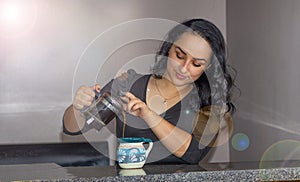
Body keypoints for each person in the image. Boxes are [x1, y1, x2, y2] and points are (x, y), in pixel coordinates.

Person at [63, 18, 236, 164]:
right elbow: (73, 128)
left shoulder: (210, 104)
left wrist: (148, 115)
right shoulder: (129, 84)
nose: (183, 68)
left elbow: (193, 153)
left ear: (209, 68)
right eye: (180, 55)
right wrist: (78, 107)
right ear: (169, 48)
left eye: (196, 64)